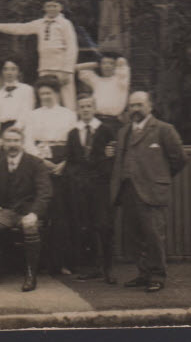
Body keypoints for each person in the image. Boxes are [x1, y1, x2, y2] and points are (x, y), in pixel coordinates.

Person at [111, 91, 187, 293]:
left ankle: (157, 276)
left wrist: (158, 177)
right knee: (133, 237)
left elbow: (179, 159)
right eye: (132, 106)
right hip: (128, 191)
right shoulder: (124, 132)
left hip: (152, 192)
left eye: (139, 105)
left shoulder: (164, 129)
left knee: (153, 236)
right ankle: (143, 274)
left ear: (150, 106)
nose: (135, 109)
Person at [0, 127, 53, 292]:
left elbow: (44, 193)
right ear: (3, 143)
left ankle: (31, 275)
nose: (12, 145)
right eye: (8, 141)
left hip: (29, 210)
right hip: (7, 211)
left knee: (30, 226)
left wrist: (34, 213)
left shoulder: (35, 163)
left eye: (16, 141)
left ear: (22, 143)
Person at [0, 0, 79, 110]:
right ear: (44, 7)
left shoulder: (65, 24)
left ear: (61, 7)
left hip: (62, 69)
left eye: (55, 6)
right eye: (49, 6)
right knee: (46, 99)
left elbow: (72, 48)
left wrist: (67, 70)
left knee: (67, 101)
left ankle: (71, 126)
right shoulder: (40, 24)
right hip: (45, 68)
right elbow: (20, 28)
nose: (52, 9)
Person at [22, 75, 77, 275]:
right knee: (42, 210)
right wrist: (40, 161)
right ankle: (42, 263)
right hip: (40, 161)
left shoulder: (69, 115)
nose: (45, 96)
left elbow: (74, 142)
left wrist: (65, 163)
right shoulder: (32, 115)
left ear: (56, 93)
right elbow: (27, 141)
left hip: (63, 162)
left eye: (49, 92)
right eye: (42, 93)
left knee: (61, 214)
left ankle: (63, 262)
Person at [65, 95, 117, 284]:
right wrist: (76, 178)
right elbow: (70, 161)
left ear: (94, 108)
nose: (85, 109)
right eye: (82, 106)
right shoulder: (73, 133)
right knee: (85, 226)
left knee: (104, 225)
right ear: (78, 110)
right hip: (81, 187)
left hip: (101, 186)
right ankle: (92, 267)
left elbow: (112, 159)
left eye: (89, 106)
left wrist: (102, 175)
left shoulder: (106, 131)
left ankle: (108, 268)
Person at [77, 52, 131, 134]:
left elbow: (122, 62)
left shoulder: (121, 81)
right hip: (96, 120)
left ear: (115, 66)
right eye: (104, 63)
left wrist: (113, 59)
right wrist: (96, 64)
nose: (107, 66)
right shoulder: (97, 81)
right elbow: (77, 68)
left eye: (111, 63)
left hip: (113, 122)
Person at [0, 58, 35, 148]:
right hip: (2, 132)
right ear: (1, 72)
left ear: (18, 71)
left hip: (21, 130)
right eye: (6, 69)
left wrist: (14, 131)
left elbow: (26, 113)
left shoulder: (26, 90)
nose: (9, 72)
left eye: (13, 69)